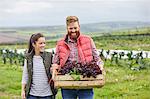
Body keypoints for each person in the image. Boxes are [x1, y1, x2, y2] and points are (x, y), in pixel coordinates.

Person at [52, 16, 104, 99]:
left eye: (75, 28)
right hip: (67, 83)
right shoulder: (60, 43)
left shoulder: (88, 40)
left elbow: (97, 59)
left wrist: (100, 66)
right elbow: (55, 62)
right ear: (67, 28)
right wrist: (54, 68)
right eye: (70, 28)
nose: (73, 30)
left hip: (86, 82)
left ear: (79, 27)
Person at [21, 33, 57, 99]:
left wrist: (54, 70)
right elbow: (25, 75)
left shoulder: (50, 56)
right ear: (34, 44)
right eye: (40, 43)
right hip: (32, 95)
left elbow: (54, 71)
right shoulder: (29, 58)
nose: (43, 45)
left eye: (44, 43)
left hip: (47, 94)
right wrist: (23, 90)